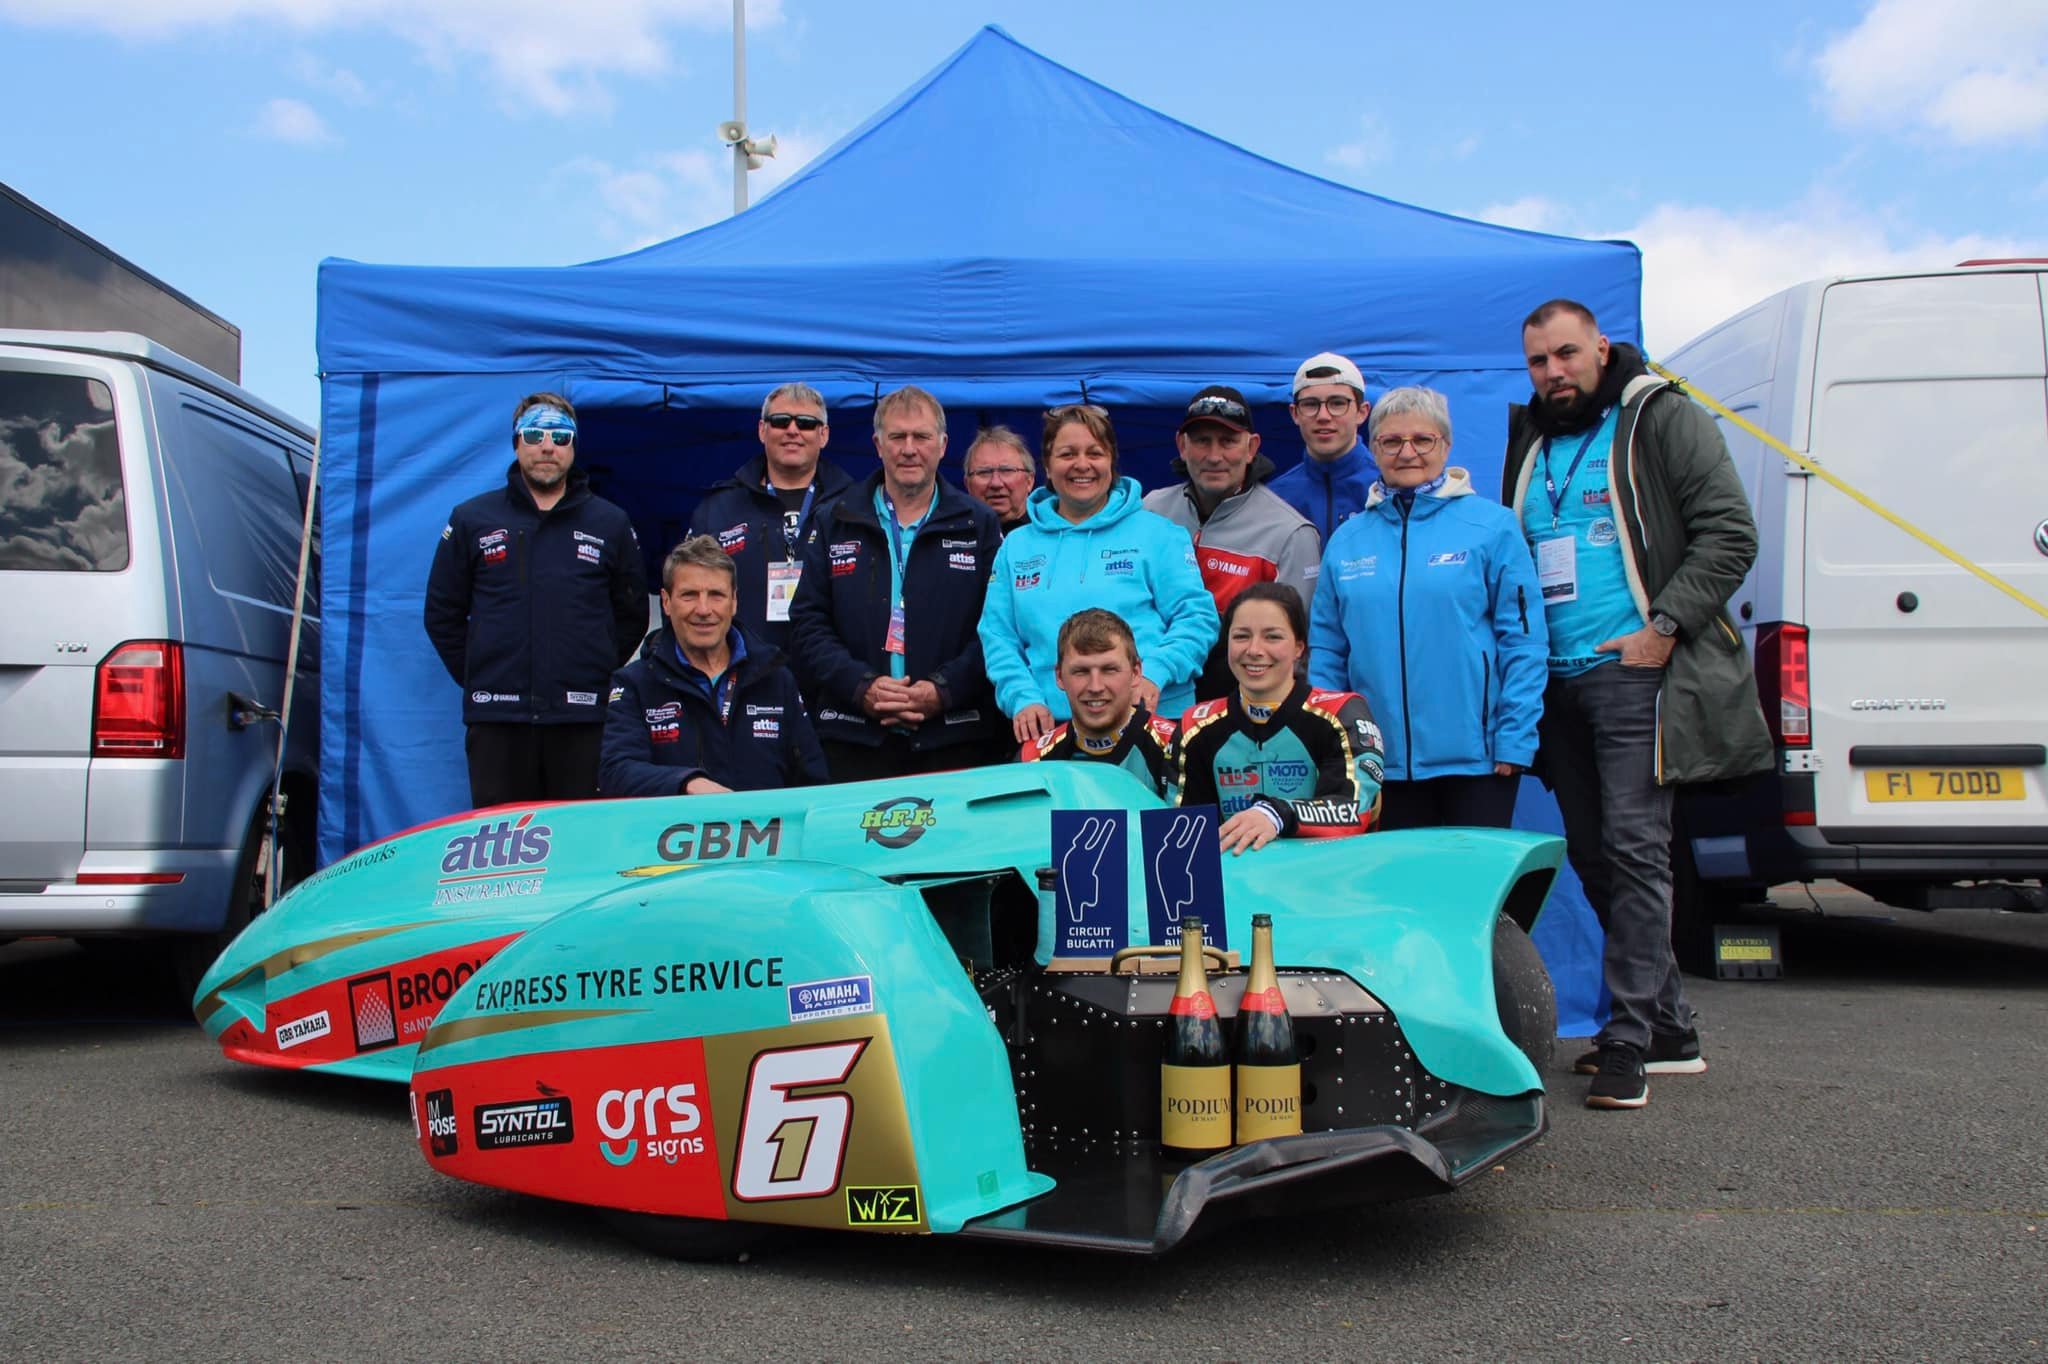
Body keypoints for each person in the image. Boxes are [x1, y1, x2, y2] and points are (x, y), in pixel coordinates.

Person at [1504, 298, 1771, 1111]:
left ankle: (1626, 1043)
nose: (1554, 372)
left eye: (1566, 355)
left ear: (1601, 349)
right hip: (1557, 678)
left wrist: (1663, 627)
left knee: (1634, 849)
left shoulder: (1660, 416)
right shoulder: (1536, 438)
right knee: (1592, 856)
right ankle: (1671, 1028)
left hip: (1633, 671)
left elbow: (1730, 533)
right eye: (1539, 362)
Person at [1309, 386, 1547, 830]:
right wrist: (1335, 741)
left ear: (1446, 445)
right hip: (1378, 764)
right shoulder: (1348, 540)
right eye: (1391, 441)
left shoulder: (1491, 526)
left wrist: (1515, 738)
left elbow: (1524, 642)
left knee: (1474, 892)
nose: (1408, 453)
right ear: (1373, 448)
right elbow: (1327, 649)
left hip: (1477, 762)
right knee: (1399, 894)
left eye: (1423, 440)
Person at [424, 393, 646, 808]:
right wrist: (482, 674)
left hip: (582, 720)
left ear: (574, 447)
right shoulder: (472, 518)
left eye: (561, 437)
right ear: (516, 443)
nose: (548, 446)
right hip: (497, 723)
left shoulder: (610, 522)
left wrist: (590, 666)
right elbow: (441, 613)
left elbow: (631, 614)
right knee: (501, 845)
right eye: (535, 434)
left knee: (579, 847)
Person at [789, 385, 1006, 780]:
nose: (909, 449)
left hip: (955, 740)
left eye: (921, 437)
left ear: (942, 445)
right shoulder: (834, 519)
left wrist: (943, 690)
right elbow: (807, 622)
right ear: (877, 444)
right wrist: (862, 687)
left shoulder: (978, 523)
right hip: (854, 739)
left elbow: (997, 628)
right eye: (897, 436)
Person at [980, 404, 1218, 744]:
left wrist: (1154, 674)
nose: (1082, 465)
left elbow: (1198, 619)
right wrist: (1022, 698)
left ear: (1112, 462)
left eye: (1095, 453)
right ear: (1047, 464)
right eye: (1067, 454)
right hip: (1053, 732)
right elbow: (997, 635)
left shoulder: (1160, 534)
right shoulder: (1016, 546)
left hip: (1151, 722)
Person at [600, 536, 825, 796]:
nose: (704, 609)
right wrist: (686, 782)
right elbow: (615, 772)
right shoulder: (634, 684)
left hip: (767, 834)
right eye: (689, 595)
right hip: (676, 834)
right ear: (666, 602)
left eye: (716, 595)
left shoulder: (775, 679)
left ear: (734, 602)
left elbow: (813, 780)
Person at [1177, 584, 1385, 855]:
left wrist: (1276, 813)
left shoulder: (1342, 713)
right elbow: (1184, 835)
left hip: (1328, 884)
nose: (1254, 650)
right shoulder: (1196, 725)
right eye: (1241, 636)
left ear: (1299, 647)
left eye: (1272, 637)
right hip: (1236, 885)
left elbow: (1354, 809)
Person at [1143, 385, 1321, 700]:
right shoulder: (1151, 510)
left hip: (1238, 713)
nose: (1214, 456)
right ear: (1181, 446)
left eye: (1228, 442)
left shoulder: (1291, 533)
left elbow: (1296, 652)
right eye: (1201, 441)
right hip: (1153, 697)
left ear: (1252, 447)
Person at [687, 382, 852, 652]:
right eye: (780, 421)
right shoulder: (719, 507)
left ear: (823, 435)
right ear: (762, 430)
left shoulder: (855, 506)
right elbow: (687, 589)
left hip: (831, 678)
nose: (792, 430)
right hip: (744, 674)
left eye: (806, 423)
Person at [1017, 608, 1178, 799]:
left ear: (1136, 673)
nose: (1095, 686)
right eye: (1081, 671)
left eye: (1109, 670)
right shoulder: (1034, 760)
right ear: (1059, 676)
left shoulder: (1175, 746)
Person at [1269, 352, 1375, 543]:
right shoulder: (1276, 497)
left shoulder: (1387, 490)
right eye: (1311, 404)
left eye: (1337, 403)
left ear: (1362, 412)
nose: (1323, 416)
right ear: (1295, 413)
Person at [962, 425, 1037, 537]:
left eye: (1006, 470)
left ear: (1029, 481)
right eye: (984, 472)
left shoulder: (1051, 533)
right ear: (968, 484)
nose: (996, 483)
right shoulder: (952, 534)